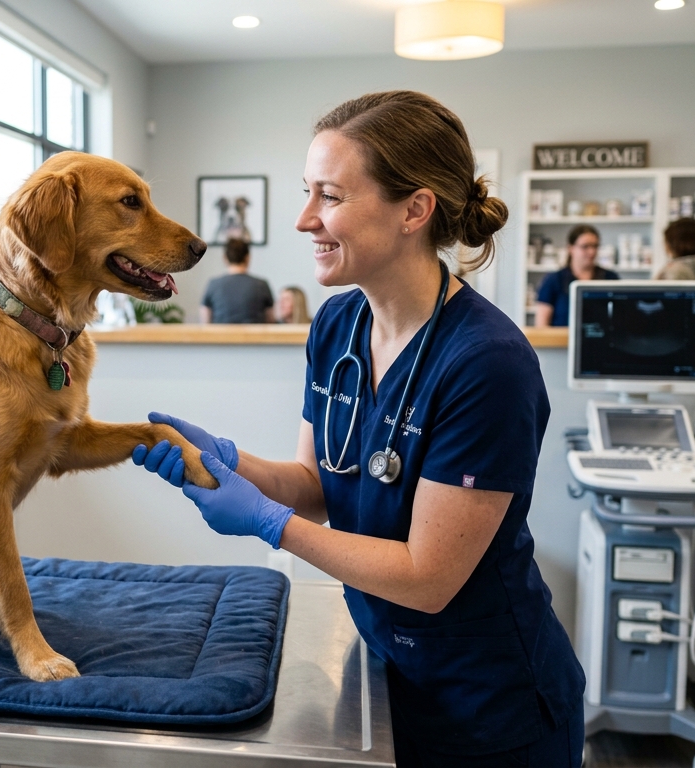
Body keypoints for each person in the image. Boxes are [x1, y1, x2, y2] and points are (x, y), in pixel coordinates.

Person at [133, 91, 584, 767]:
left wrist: (268, 524)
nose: (303, 218)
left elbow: (429, 577)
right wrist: (229, 462)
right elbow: (317, 483)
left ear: (414, 209)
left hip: (489, 706)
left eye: (330, 196)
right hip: (382, 669)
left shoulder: (487, 363)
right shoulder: (338, 325)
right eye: (306, 192)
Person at [533, 224, 619, 327]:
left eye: (595, 246)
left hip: (602, 341)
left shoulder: (610, 278)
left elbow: (621, 316)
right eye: (585, 246)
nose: (591, 251)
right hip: (562, 342)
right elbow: (541, 325)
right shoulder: (554, 280)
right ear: (571, 248)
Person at [200, 238, 275, 323]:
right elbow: (270, 321)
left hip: (221, 335)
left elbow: (205, 322)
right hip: (253, 336)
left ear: (225, 258)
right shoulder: (262, 285)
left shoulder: (213, 285)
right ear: (248, 258)